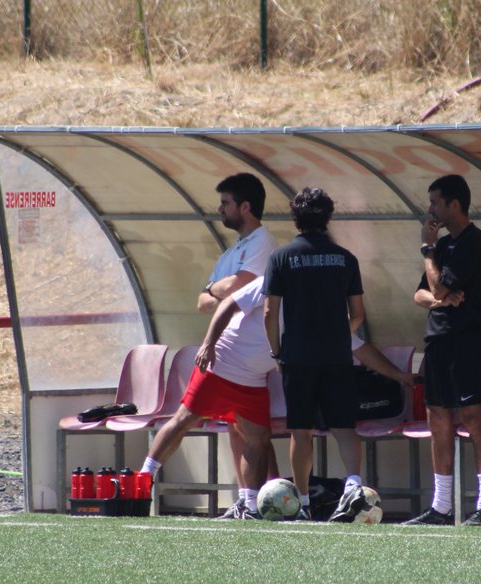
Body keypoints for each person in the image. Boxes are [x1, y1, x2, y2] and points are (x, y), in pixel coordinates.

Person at [140, 276, 413, 520]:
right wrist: (208, 343)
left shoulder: (322, 314)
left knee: (259, 438)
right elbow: (229, 304)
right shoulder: (273, 281)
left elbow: (361, 349)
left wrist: (400, 375)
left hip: (253, 380)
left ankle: (249, 505)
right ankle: (143, 478)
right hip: (221, 364)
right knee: (184, 419)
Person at [263, 187, 368, 522]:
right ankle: (354, 487)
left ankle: (304, 503)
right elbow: (358, 314)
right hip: (337, 355)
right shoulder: (346, 258)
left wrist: (276, 353)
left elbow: (269, 312)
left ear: (295, 217)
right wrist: (338, 333)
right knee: (344, 426)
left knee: (301, 430)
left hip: (297, 356)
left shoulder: (281, 258)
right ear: (328, 217)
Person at [403, 174, 481, 527]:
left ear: (454, 205)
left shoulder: (474, 241)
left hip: (467, 341)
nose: (430, 210)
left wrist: (427, 252)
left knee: (472, 417)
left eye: (435, 203)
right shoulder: (442, 246)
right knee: (437, 417)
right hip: (437, 340)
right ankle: (441, 507)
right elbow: (421, 294)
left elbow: (439, 286)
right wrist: (439, 301)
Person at [194, 173, 279, 518]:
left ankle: (271, 498)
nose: (219, 209)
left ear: (245, 207)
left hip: (252, 352)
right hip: (228, 350)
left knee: (255, 432)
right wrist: (222, 290)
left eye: (225, 203)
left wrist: (217, 289)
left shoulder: (263, 242)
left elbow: (241, 287)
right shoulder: (231, 252)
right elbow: (202, 302)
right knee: (238, 426)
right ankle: (248, 499)